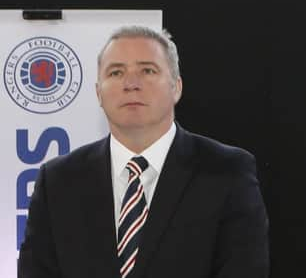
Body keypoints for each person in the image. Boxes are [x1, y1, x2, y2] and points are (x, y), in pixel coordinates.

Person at [18, 25, 269, 278]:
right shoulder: (58, 181)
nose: (131, 83)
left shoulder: (226, 172)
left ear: (176, 87)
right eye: (116, 72)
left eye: (147, 70)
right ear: (98, 93)